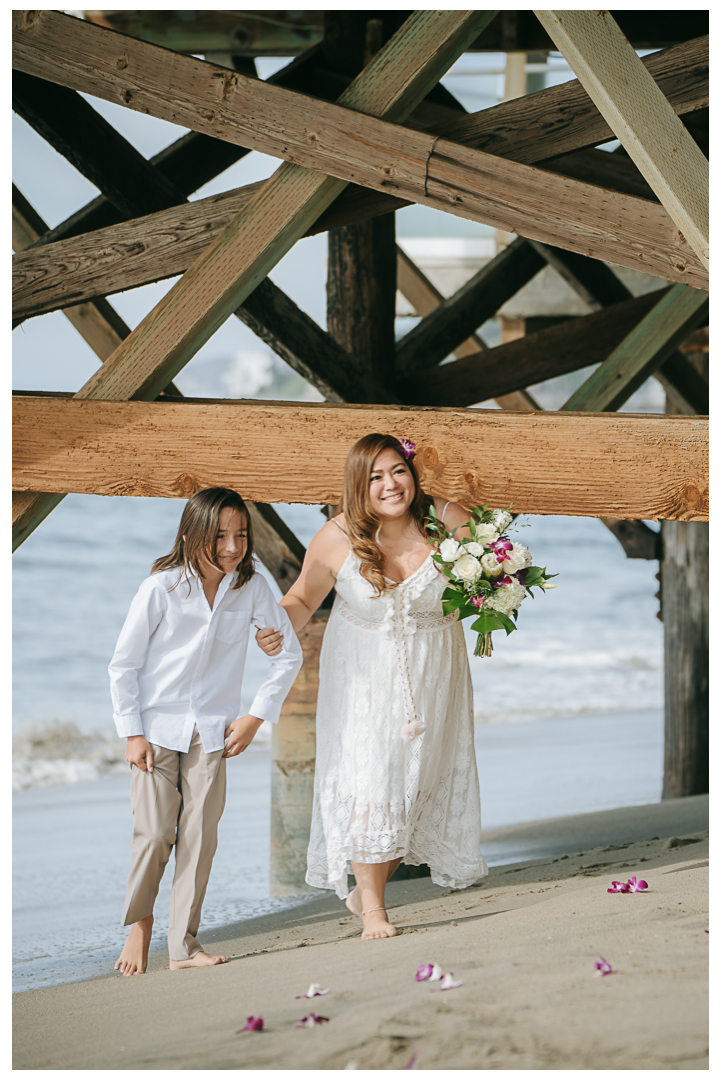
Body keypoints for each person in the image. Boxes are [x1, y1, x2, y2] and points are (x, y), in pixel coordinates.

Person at [258, 434, 487, 940]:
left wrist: (497, 595)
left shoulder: (447, 520)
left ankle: (362, 892)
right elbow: (302, 597)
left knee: (412, 790)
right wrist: (274, 627)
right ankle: (374, 912)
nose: (389, 485)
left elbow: (490, 573)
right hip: (362, 677)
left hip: (433, 673)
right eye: (375, 477)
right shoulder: (339, 535)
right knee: (371, 784)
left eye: (397, 471)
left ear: (413, 472)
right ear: (358, 486)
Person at [110, 487, 302, 975]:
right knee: (154, 835)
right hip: (155, 729)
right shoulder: (161, 588)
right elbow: (124, 665)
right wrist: (131, 732)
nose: (232, 547)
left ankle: (183, 946)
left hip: (216, 732)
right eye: (220, 536)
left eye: (240, 535)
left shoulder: (252, 587)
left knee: (198, 837)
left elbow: (288, 654)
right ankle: (142, 924)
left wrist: (256, 715)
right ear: (193, 533)